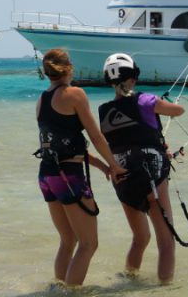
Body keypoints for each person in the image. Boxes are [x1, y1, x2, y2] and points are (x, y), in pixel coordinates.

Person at [35, 48, 126, 287]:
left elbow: (63, 147)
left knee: (68, 239)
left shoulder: (41, 100)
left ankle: (59, 289)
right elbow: (95, 136)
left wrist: (102, 166)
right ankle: (72, 293)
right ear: (69, 68)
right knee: (88, 243)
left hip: (48, 176)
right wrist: (115, 165)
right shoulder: (75, 94)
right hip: (69, 178)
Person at [98, 53, 185, 284]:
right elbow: (178, 111)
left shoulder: (104, 111)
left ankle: (129, 279)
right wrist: (158, 103)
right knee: (166, 241)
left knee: (140, 237)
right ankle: (165, 287)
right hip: (151, 175)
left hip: (123, 177)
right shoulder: (146, 101)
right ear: (134, 78)